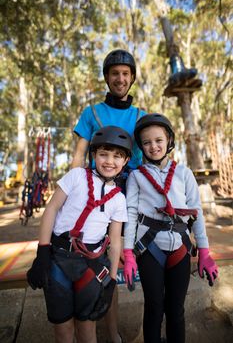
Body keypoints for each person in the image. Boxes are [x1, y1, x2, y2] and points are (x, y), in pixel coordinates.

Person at [27, 126, 132, 343]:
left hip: (90, 265)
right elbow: (52, 209)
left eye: (117, 156)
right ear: (93, 155)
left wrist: (111, 281)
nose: (109, 161)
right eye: (103, 154)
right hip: (58, 258)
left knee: (87, 327)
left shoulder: (119, 199)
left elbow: (114, 241)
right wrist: (43, 252)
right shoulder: (76, 176)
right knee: (63, 328)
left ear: (125, 161)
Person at [71, 49, 147, 343]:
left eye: (126, 73)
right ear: (106, 77)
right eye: (115, 73)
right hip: (98, 198)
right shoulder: (91, 113)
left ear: (132, 79)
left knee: (141, 263)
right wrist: (74, 194)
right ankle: (112, 335)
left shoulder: (141, 115)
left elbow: (150, 159)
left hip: (134, 199)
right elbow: (79, 156)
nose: (120, 78)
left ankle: (143, 333)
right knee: (106, 268)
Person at [123, 113, 218, 343]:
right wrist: (128, 253)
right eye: (146, 142)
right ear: (141, 147)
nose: (153, 146)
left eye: (158, 140)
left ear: (169, 141)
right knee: (154, 307)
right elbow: (131, 215)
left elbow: (196, 212)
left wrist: (204, 251)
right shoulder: (136, 177)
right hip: (149, 249)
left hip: (180, 249)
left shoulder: (184, 174)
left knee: (176, 310)